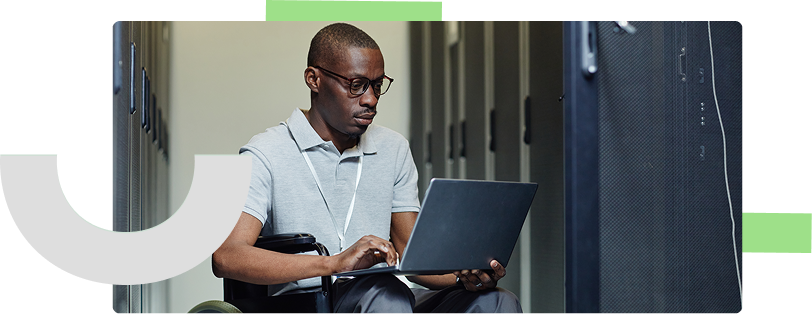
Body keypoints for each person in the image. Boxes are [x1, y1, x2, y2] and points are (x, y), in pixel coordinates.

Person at [212, 22, 522, 314]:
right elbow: (226, 256)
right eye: (357, 85)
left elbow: (412, 258)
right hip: (307, 302)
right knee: (386, 294)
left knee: (495, 302)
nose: (371, 100)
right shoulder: (266, 152)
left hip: (389, 297)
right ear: (314, 79)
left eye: (377, 86)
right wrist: (335, 264)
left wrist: (463, 276)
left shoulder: (393, 148)